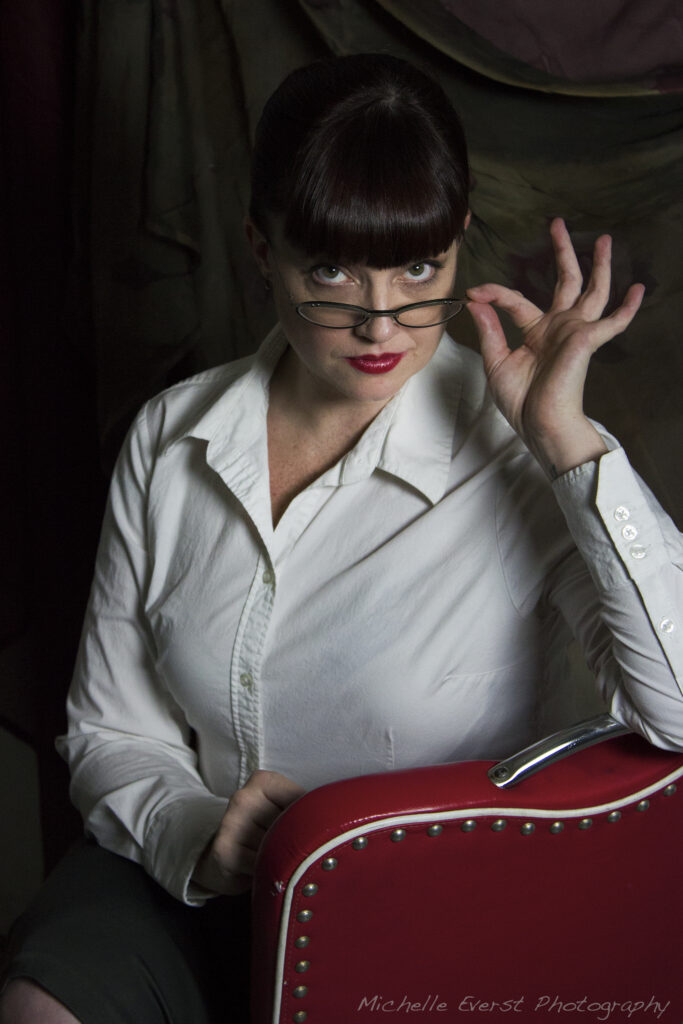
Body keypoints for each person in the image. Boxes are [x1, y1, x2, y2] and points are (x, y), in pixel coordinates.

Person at [2, 52, 682, 1024]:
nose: (380, 318)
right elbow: (111, 730)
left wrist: (569, 444)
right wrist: (200, 835)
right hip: (183, 881)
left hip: (419, 909)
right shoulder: (168, 439)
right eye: (328, 267)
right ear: (258, 247)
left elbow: (678, 710)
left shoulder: (519, 452)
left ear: (454, 246)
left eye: (418, 266)